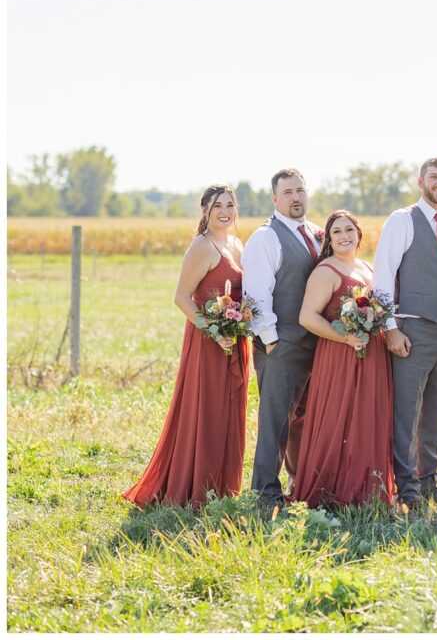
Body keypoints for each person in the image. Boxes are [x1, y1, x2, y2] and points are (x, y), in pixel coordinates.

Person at [123, 185, 249, 509]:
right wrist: (213, 329)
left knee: (229, 411)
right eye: (218, 205)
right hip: (208, 341)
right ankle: (195, 486)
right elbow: (181, 297)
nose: (225, 211)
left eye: (230, 205)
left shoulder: (235, 243)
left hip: (234, 340)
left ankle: (222, 488)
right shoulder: (202, 246)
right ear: (205, 209)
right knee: (206, 409)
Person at [290, 211, 395, 508]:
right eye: (337, 232)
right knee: (340, 417)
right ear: (329, 238)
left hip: (372, 354)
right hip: (340, 354)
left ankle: (368, 488)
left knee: (366, 416)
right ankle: (332, 489)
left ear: (359, 234)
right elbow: (307, 317)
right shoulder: (326, 271)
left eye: (350, 229)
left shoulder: (367, 268)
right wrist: (345, 338)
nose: (345, 235)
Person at [373, 156, 437, 507]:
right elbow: (382, 276)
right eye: (434, 177)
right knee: (407, 413)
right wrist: (391, 328)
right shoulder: (402, 220)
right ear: (421, 181)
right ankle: (406, 488)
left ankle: (429, 484)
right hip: (411, 329)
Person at [242, 168, 322, 507]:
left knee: (303, 418)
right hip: (282, 343)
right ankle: (264, 490)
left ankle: (299, 482)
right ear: (275, 198)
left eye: (300, 190)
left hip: (314, 341)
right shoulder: (266, 237)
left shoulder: (315, 234)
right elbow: (257, 293)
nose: (296, 197)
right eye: (288, 192)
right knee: (276, 419)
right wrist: (271, 341)